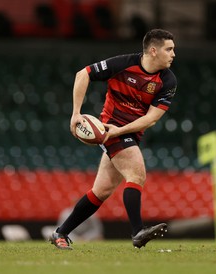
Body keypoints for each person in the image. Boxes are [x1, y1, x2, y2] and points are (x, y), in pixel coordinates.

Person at [49, 29, 177, 250]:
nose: (174, 54)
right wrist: (76, 114)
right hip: (107, 128)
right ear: (154, 51)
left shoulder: (167, 80)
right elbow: (83, 74)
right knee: (136, 174)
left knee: (101, 191)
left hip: (124, 132)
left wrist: (120, 131)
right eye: (169, 49)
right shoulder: (123, 64)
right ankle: (137, 232)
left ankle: (60, 233)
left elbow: (151, 119)